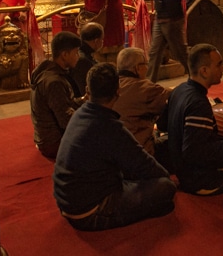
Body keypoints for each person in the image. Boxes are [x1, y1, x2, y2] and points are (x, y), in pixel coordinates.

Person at [53, 63, 176, 231]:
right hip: (91, 210)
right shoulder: (109, 126)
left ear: (88, 90)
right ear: (118, 91)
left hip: (68, 202)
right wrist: (165, 179)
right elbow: (145, 165)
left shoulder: (80, 114)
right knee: (165, 188)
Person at [161, 43, 223, 194]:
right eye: (219, 65)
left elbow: (162, 124)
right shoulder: (198, 103)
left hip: (183, 171)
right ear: (204, 71)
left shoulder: (180, 89)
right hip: (200, 180)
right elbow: (192, 153)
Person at [30, 31, 84, 159]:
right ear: (64, 54)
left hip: (45, 137)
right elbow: (66, 120)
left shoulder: (47, 70)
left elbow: (63, 104)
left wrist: (84, 100)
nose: (78, 56)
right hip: (54, 143)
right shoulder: (54, 81)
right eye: (76, 52)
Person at [114, 47, 169, 156]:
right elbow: (173, 97)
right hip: (140, 153)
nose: (147, 67)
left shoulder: (112, 85)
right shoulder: (144, 88)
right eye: (145, 64)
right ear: (137, 68)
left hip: (114, 152)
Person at [70, 22, 103, 98]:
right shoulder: (83, 60)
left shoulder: (81, 52)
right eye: (102, 39)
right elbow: (86, 90)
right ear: (96, 41)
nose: (102, 42)